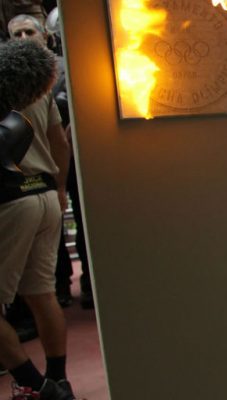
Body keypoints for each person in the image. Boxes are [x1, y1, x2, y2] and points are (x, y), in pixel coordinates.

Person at [0, 39, 75, 400]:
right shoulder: (34, 85)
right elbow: (59, 141)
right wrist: (60, 187)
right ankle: (58, 380)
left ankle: (38, 386)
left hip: (9, 199)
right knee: (42, 293)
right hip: (44, 192)